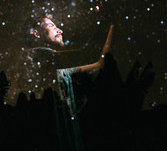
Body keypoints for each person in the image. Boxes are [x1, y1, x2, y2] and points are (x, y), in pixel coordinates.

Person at [7, 13, 114, 150]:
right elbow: (89, 53)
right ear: (36, 34)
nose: (60, 30)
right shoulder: (36, 55)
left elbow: (100, 65)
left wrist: (112, 26)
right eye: (51, 26)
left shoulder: (53, 72)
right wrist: (107, 23)